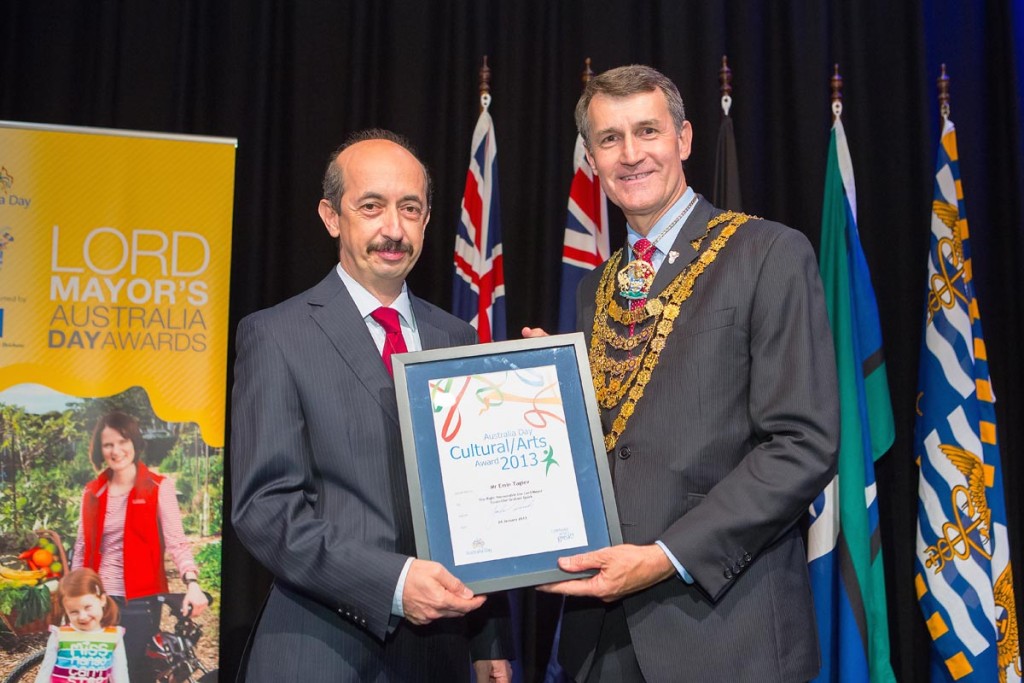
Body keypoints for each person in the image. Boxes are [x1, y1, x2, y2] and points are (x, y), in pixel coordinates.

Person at [525, 65, 840, 682]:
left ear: (685, 139)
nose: (632, 154)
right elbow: (628, 441)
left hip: (727, 634)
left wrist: (666, 557)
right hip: (603, 638)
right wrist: (548, 393)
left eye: (648, 131)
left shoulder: (768, 253)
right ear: (591, 157)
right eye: (610, 139)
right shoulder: (597, 287)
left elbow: (803, 445)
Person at [230, 129, 513, 681]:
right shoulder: (276, 335)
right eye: (371, 206)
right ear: (332, 217)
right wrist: (395, 583)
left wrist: (488, 640)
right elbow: (265, 508)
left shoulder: (458, 338)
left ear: (428, 220)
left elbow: (481, 504)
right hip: (319, 649)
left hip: (441, 654)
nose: (393, 228)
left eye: (410, 209)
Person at [72, 411, 208, 678]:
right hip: (96, 601)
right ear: (100, 450)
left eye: (123, 441)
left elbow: (177, 542)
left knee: (136, 674)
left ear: (134, 442)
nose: (116, 450)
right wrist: (72, 594)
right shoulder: (92, 491)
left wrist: (192, 583)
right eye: (108, 444)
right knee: (96, 673)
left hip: (140, 603)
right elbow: (81, 547)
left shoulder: (159, 486)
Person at [35, 568, 129, 683]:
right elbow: (45, 672)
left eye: (87, 607)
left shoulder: (114, 636)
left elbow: (120, 675)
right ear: (65, 610)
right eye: (74, 612)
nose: (82, 617)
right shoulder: (60, 635)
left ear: (102, 600)